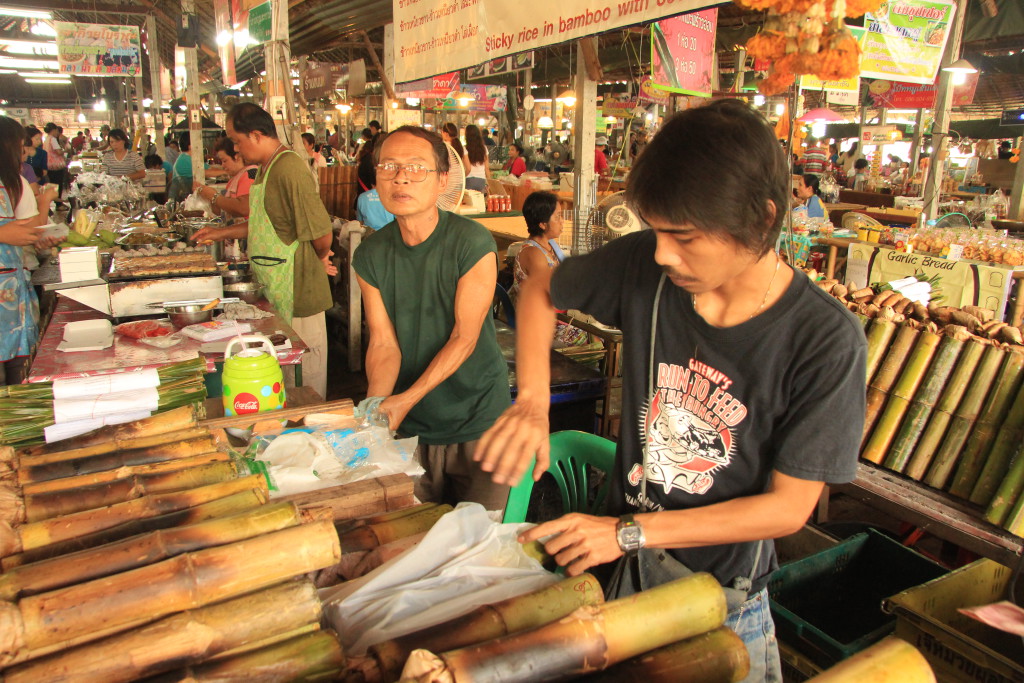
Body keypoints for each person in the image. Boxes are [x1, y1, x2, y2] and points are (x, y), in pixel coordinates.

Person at [475, 99, 866, 683]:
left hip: (722, 597)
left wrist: (629, 532)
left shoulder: (824, 339)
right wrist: (532, 402)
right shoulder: (645, 266)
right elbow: (538, 293)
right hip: (621, 573)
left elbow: (787, 509)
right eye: (655, 231)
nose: (662, 253)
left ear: (760, 220)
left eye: (681, 236)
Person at [352, 125, 512, 511]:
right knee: (412, 538)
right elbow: (384, 343)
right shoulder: (370, 255)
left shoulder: (471, 242)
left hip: (478, 422)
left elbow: (465, 338)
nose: (401, 176)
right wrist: (378, 409)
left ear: (443, 179)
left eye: (416, 167)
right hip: (411, 428)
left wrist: (405, 400)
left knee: (481, 548)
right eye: (388, 166)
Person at [191, 103, 334, 399]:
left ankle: (303, 434)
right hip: (274, 283)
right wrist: (221, 232)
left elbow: (321, 232)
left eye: (236, 140)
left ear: (255, 135)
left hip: (299, 289)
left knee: (304, 374)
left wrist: (319, 257)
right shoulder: (266, 169)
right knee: (278, 372)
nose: (236, 149)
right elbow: (263, 223)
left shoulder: (290, 168)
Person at [0, 116, 59, 385]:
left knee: (18, 366)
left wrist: (37, 237)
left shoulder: (12, 181)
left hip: (10, 291)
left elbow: (25, 230)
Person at [512, 190, 566, 299]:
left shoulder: (550, 245)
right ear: (542, 224)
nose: (562, 221)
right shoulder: (533, 254)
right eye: (557, 216)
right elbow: (549, 293)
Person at [193, 137, 257, 220]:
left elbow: (241, 209)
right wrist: (208, 197)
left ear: (237, 157)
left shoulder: (249, 175)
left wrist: (214, 196)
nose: (223, 165)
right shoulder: (234, 179)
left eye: (225, 161)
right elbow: (222, 211)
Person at [463, 124, 490, 194]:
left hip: (469, 179)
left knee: (469, 203)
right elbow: (487, 168)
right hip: (481, 180)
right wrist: (489, 182)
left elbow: (468, 169)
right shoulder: (484, 148)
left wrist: (462, 177)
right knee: (479, 202)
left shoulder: (465, 149)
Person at [42, 123, 67, 195]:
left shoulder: (47, 138)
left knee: (53, 184)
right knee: (58, 184)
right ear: (54, 130)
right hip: (56, 165)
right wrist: (64, 150)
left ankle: (56, 201)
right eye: (57, 130)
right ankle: (59, 203)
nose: (57, 133)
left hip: (49, 165)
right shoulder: (53, 139)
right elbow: (58, 152)